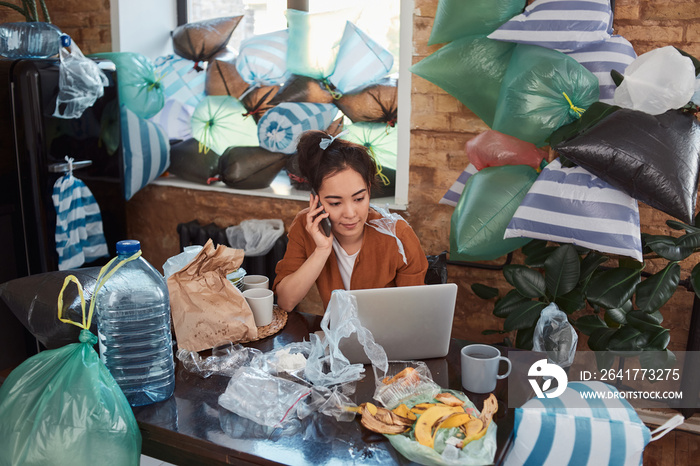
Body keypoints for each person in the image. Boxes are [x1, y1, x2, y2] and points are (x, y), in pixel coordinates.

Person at [273, 129, 429, 312]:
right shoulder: (305, 226)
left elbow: (414, 312)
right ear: (316, 198)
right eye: (335, 203)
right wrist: (322, 250)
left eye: (359, 199)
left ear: (368, 190)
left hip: (388, 337)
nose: (350, 213)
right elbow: (286, 301)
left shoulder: (397, 234)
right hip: (336, 337)